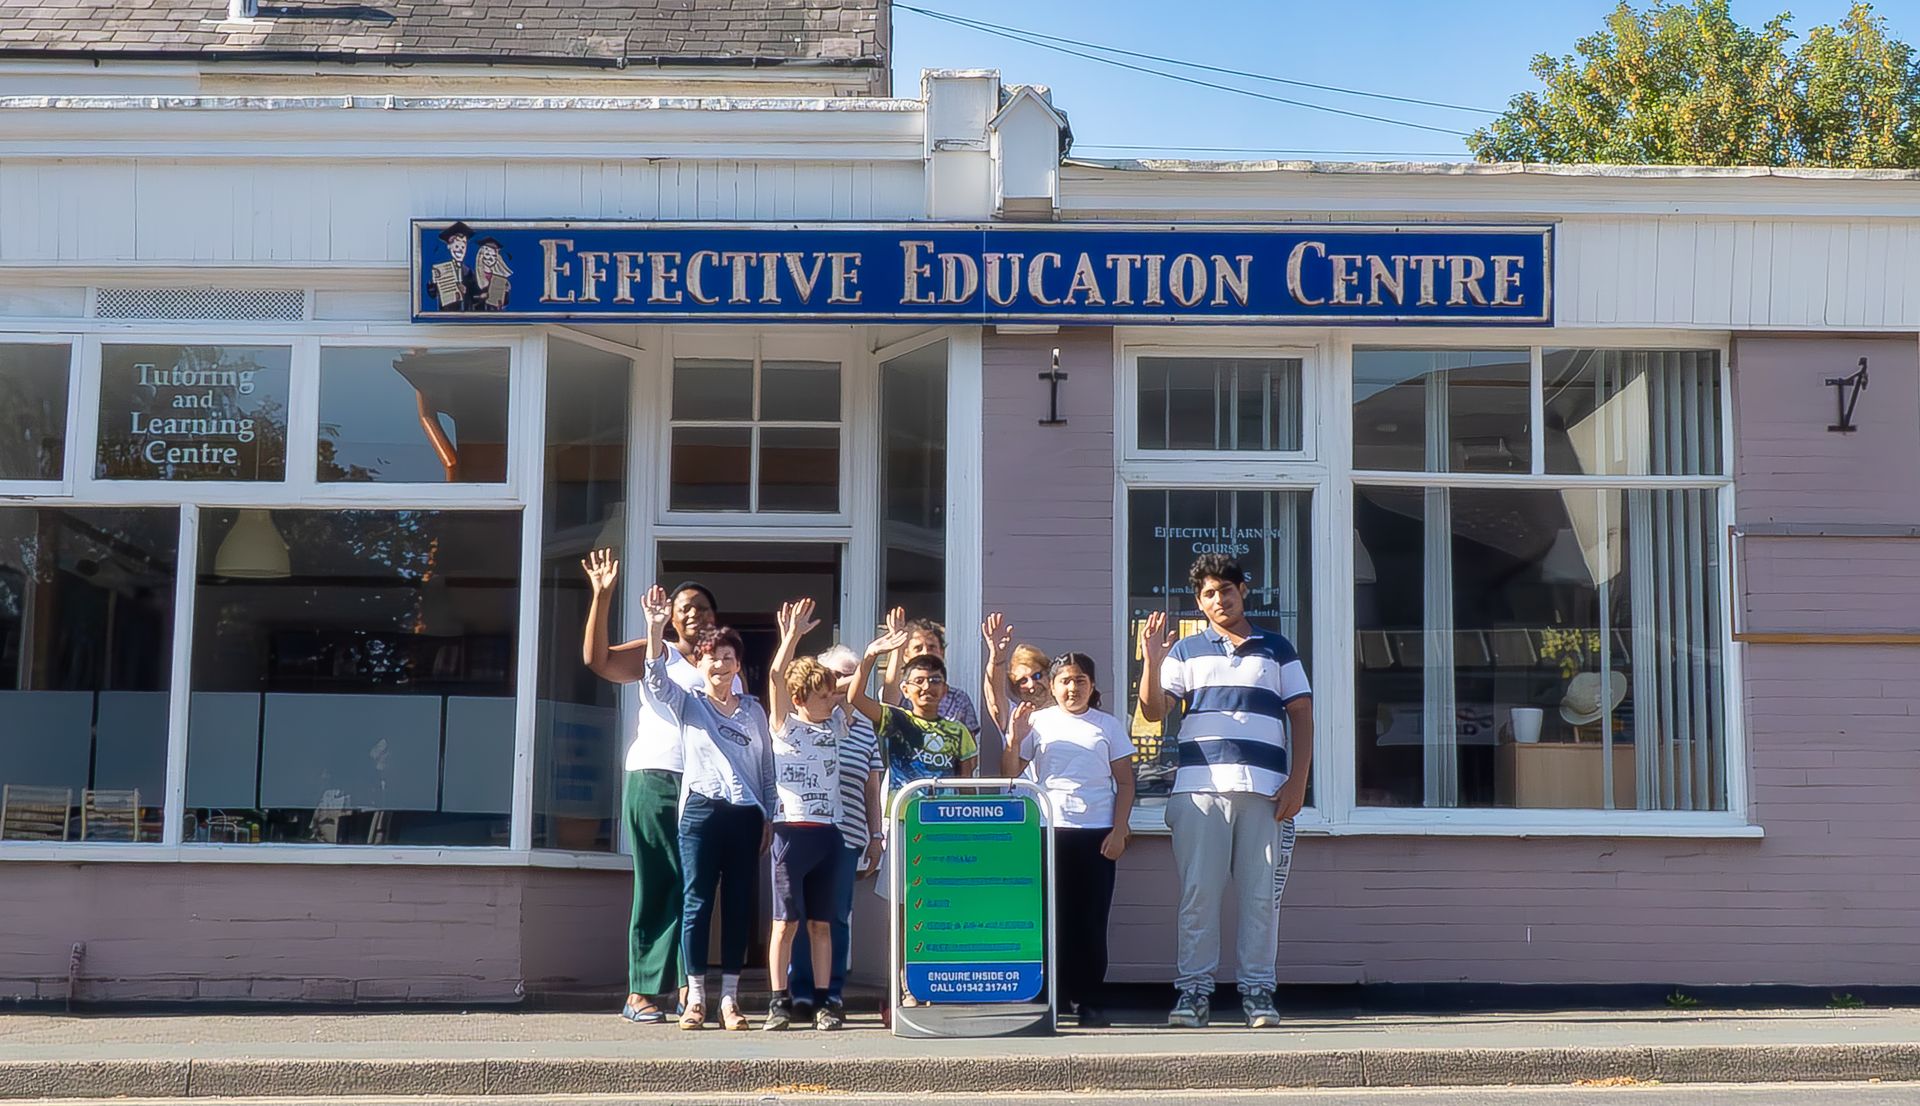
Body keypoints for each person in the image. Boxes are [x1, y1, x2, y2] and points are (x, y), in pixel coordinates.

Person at [1136, 553, 1314, 1031]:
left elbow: (1301, 715)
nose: (1219, 600)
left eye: (1226, 590)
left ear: (1243, 591)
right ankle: (1194, 993)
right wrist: (1151, 661)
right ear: (1199, 601)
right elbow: (1154, 712)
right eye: (1209, 594)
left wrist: (1298, 782)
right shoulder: (1186, 652)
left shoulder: (1277, 649)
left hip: (1265, 793)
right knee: (1199, 895)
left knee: (1259, 899)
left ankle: (1259, 993)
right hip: (1198, 792)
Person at [580, 553, 733, 1025]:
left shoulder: (725, 665)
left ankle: (689, 987)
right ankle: (642, 992)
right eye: (683, 607)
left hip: (704, 787)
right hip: (655, 777)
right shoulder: (658, 653)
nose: (693, 613)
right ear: (669, 615)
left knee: (697, 886)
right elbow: (598, 661)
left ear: (715, 619)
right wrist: (602, 596)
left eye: (702, 608)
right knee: (660, 880)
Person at [635, 583, 775, 1032]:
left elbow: (766, 769)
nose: (721, 664)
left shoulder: (753, 711)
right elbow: (656, 682)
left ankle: (729, 1000)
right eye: (714, 657)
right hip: (699, 814)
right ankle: (694, 999)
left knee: (738, 907)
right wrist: (656, 631)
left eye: (729, 658)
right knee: (696, 904)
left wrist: (769, 814)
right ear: (701, 663)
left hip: (744, 816)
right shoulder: (689, 704)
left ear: (738, 666)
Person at [762, 598, 883, 1032]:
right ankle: (780, 1001)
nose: (832, 699)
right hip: (792, 836)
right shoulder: (785, 726)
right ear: (800, 699)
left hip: (830, 836)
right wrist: (792, 636)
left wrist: (871, 657)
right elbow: (778, 675)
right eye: (822, 694)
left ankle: (827, 1000)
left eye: (832, 693)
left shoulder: (838, 723)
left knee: (822, 923)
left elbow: (855, 694)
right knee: (785, 923)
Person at [1005, 652, 1135, 1028]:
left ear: (1091, 686)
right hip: (1049, 829)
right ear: (1053, 684)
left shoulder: (1107, 726)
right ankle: (1053, 998)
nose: (1072, 688)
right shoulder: (1038, 722)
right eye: (1065, 681)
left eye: (1080, 681)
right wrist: (1014, 740)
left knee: (1091, 920)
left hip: (1096, 834)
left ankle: (1090, 1000)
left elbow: (1125, 783)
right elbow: (1012, 774)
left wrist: (1119, 829)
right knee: (1052, 916)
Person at [787, 642, 884, 1024]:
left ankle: (832, 994)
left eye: (853, 673)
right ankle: (800, 994)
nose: (846, 682)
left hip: (848, 836)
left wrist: (876, 837)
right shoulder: (803, 724)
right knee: (797, 915)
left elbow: (872, 788)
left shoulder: (865, 729)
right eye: (839, 674)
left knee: (836, 916)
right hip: (802, 831)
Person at [881, 610, 980, 739]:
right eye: (918, 648)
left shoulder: (959, 699)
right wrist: (897, 647)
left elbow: (969, 750)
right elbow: (889, 704)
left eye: (932, 647)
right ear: (905, 655)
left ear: (942, 652)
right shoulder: (901, 693)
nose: (925, 653)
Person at [980, 611, 1054, 738]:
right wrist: (997, 658)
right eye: (1022, 681)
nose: (1032, 685)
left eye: (1036, 676)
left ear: (1049, 674)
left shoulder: (1070, 711)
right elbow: (994, 694)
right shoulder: (1012, 716)